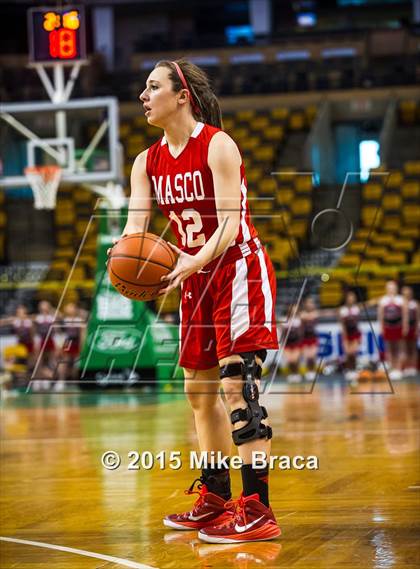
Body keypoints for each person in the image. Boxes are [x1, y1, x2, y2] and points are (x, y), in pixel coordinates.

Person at [118, 59, 280, 543]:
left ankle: (257, 510)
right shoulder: (146, 161)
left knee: (238, 389)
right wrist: (123, 254)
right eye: (143, 88)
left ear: (182, 94)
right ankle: (214, 499)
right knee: (197, 393)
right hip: (195, 278)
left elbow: (229, 227)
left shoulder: (218, 145)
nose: (143, 96)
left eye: (152, 87)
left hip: (236, 270)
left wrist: (190, 261)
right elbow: (135, 228)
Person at [378, 281, 408, 381]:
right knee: (389, 348)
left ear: (396, 289)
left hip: (398, 326)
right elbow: (381, 316)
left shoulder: (400, 299)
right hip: (388, 327)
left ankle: (398, 369)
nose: (391, 289)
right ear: (386, 289)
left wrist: (405, 326)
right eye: (389, 288)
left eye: (393, 287)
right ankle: (391, 369)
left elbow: (405, 315)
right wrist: (381, 327)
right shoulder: (383, 300)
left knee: (399, 348)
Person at [339, 291, 362, 382]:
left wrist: (359, 336)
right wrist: (344, 336)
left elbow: (357, 323)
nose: (351, 299)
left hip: (355, 333)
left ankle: (354, 370)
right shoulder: (343, 310)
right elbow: (342, 324)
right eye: (349, 298)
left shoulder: (357, 309)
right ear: (346, 299)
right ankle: (349, 370)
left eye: (352, 298)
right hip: (347, 334)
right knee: (348, 353)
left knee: (354, 353)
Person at [281, 304, 303, 383]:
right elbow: (281, 332)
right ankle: (292, 374)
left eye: (295, 310)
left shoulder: (298, 320)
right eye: (292, 310)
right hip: (287, 344)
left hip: (296, 343)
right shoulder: (283, 320)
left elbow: (301, 333)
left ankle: (296, 373)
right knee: (290, 360)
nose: (293, 311)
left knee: (295, 359)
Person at [300, 297, 318, 381]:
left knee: (312, 356)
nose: (309, 304)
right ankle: (308, 371)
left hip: (313, 337)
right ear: (305, 304)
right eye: (308, 303)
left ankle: (313, 371)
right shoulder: (302, 314)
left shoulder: (315, 313)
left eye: (311, 303)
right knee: (307, 356)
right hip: (305, 338)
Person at [401, 286, 418, 377]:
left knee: (413, 348)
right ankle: (406, 367)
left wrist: (416, 329)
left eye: (408, 293)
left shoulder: (415, 304)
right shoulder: (401, 303)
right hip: (404, 328)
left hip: (413, 328)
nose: (407, 295)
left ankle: (413, 367)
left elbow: (418, 318)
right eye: (405, 294)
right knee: (405, 348)